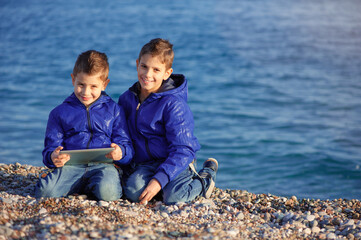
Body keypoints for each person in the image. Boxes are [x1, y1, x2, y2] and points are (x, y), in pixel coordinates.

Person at [118, 38, 218, 205]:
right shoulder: (126, 99)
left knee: (174, 197)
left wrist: (158, 181)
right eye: (144, 66)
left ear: (167, 73)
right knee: (133, 192)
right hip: (146, 163)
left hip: (175, 160)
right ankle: (161, 188)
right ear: (137, 64)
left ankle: (205, 178)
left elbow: (183, 149)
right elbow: (121, 135)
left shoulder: (174, 105)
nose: (148, 75)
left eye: (156, 70)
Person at [35, 50, 134, 201]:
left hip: (103, 166)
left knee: (109, 194)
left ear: (104, 84)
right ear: (73, 79)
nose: (86, 92)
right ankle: (82, 186)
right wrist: (53, 157)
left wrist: (121, 153)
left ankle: (91, 186)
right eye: (81, 84)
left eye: (93, 86)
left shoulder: (115, 111)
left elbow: (126, 145)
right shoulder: (59, 113)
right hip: (70, 166)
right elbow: (49, 150)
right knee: (44, 193)